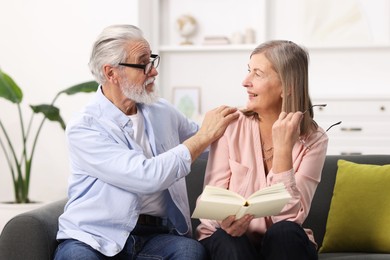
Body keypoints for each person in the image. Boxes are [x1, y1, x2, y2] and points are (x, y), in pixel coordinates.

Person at [54, 24, 238, 260]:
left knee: (190, 252)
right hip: (94, 236)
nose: (153, 72)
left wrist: (252, 126)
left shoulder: (162, 111)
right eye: (143, 64)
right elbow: (146, 176)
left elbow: (211, 145)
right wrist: (203, 137)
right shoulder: (85, 127)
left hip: (156, 235)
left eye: (152, 60)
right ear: (111, 73)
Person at [196, 40, 328, 260]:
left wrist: (284, 150)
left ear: (288, 87)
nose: (245, 82)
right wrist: (223, 220)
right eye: (249, 71)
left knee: (284, 232)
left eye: (257, 74)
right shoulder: (229, 125)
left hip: (282, 243)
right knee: (228, 239)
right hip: (229, 239)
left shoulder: (315, 139)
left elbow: (291, 217)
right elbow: (209, 203)